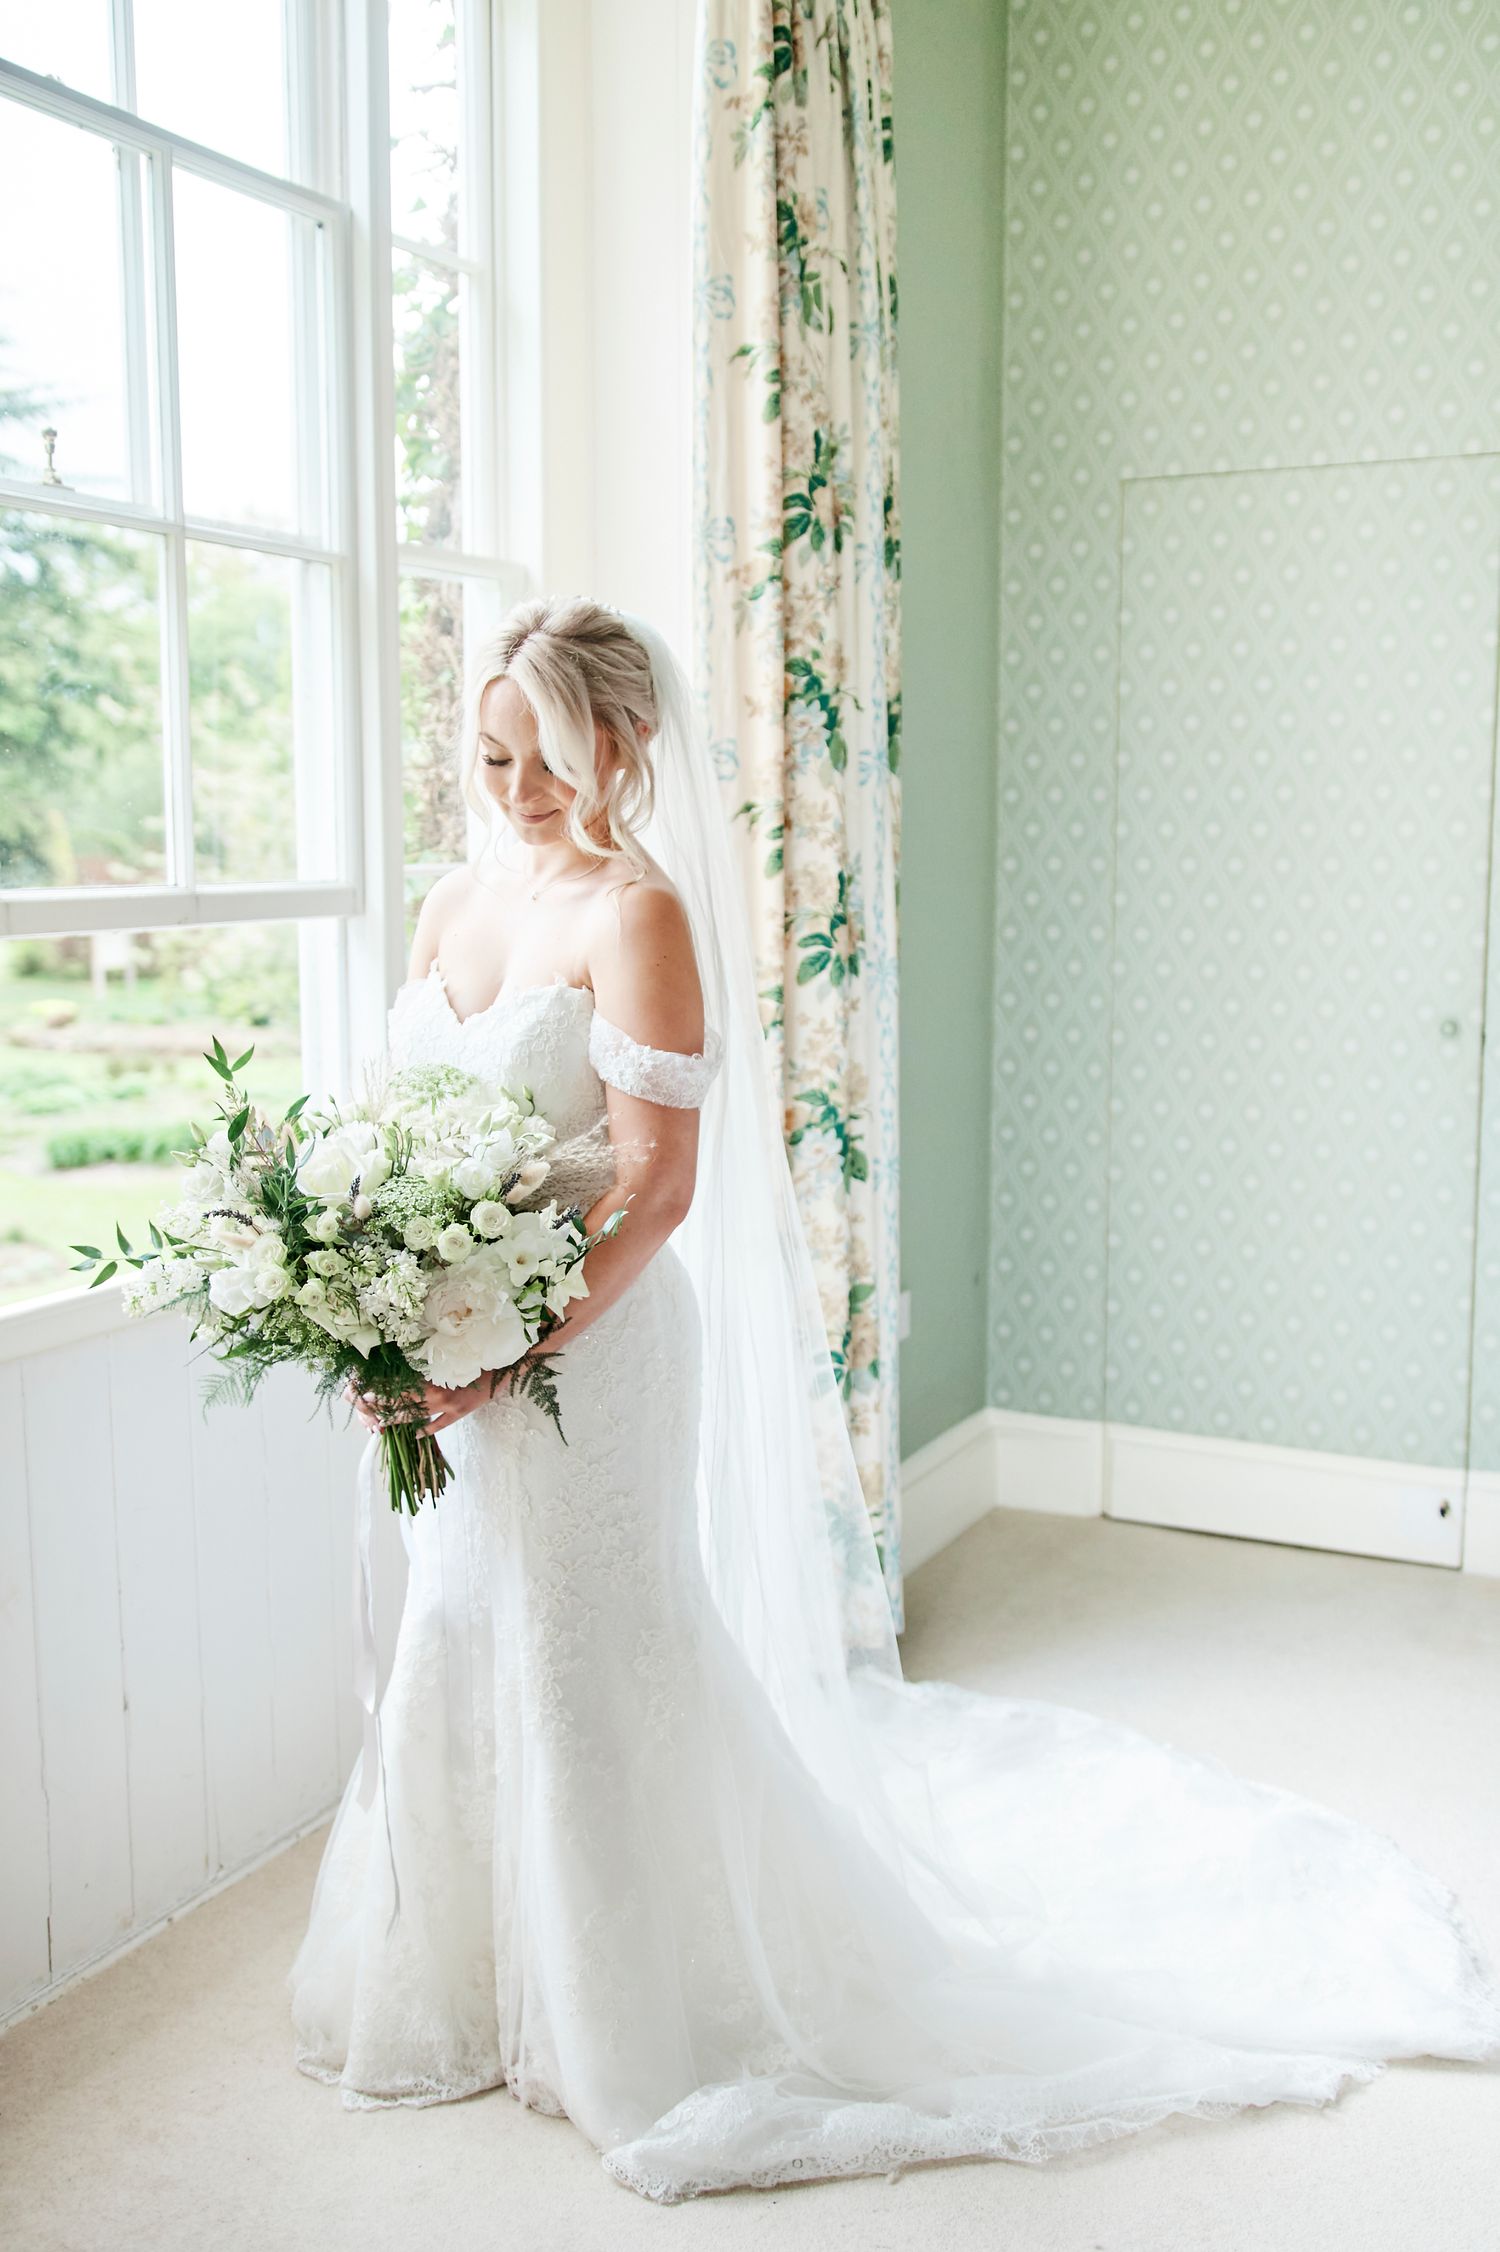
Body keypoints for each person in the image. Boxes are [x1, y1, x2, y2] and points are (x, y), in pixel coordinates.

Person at [287, 594, 1500, 2203]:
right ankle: (454, 1979)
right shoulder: (450, 904)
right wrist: (392, 1327)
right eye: (491, 752)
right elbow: (411, 1137)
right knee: (453, 1637)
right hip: (457, 1362)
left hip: (594, 1346)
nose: (510, 786)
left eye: (546, 757)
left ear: (624, 747)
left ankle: (620, 2013)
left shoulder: (639, 918)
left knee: (587, 1661)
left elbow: (649, 1192)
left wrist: (503, 1354)